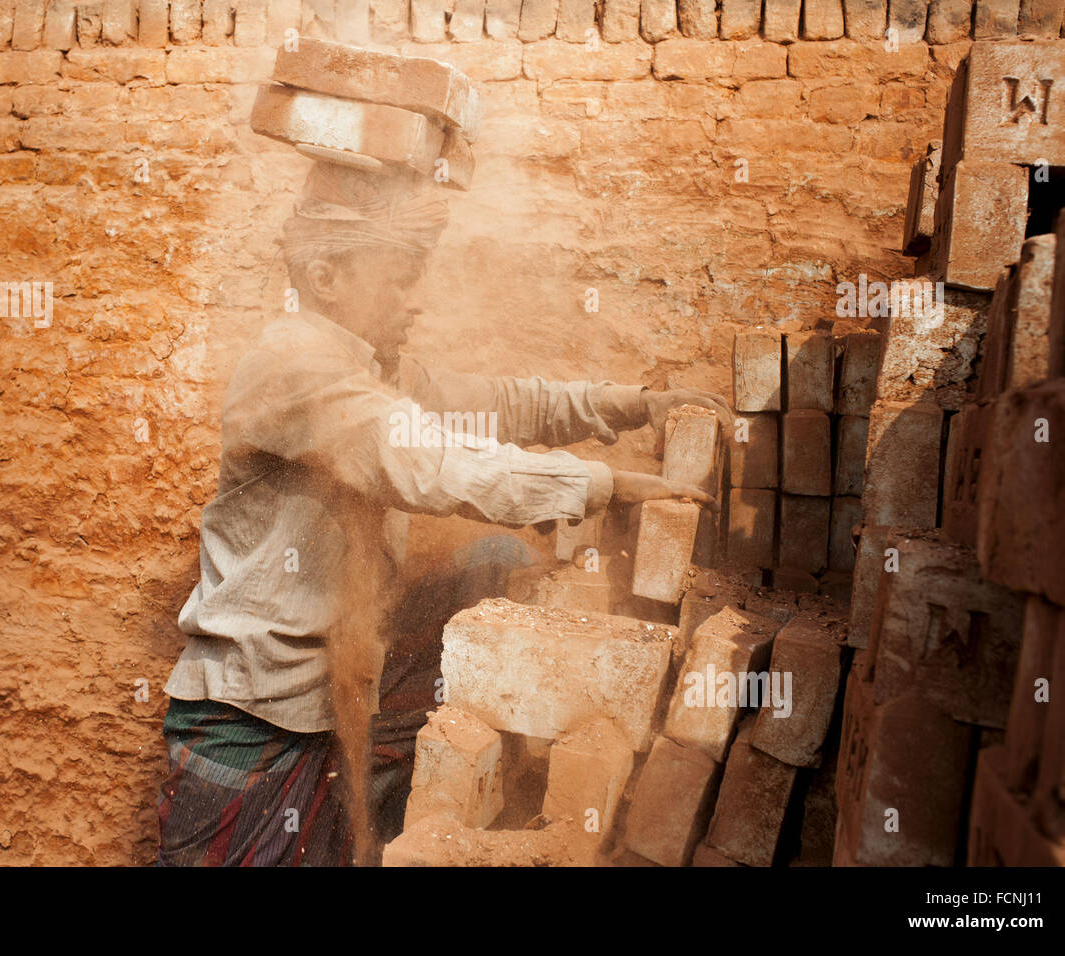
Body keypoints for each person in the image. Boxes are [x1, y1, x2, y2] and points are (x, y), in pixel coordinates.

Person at [156, 161, 731, 866]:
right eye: (398, 276)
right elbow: (434, 465)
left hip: (334, 701)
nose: (415, 298)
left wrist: (633, 402)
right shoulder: (293, 364)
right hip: (250, 713)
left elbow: (503, 401)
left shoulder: (375, 369)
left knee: (492, 567)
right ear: (326, 277)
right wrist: (603, 483)